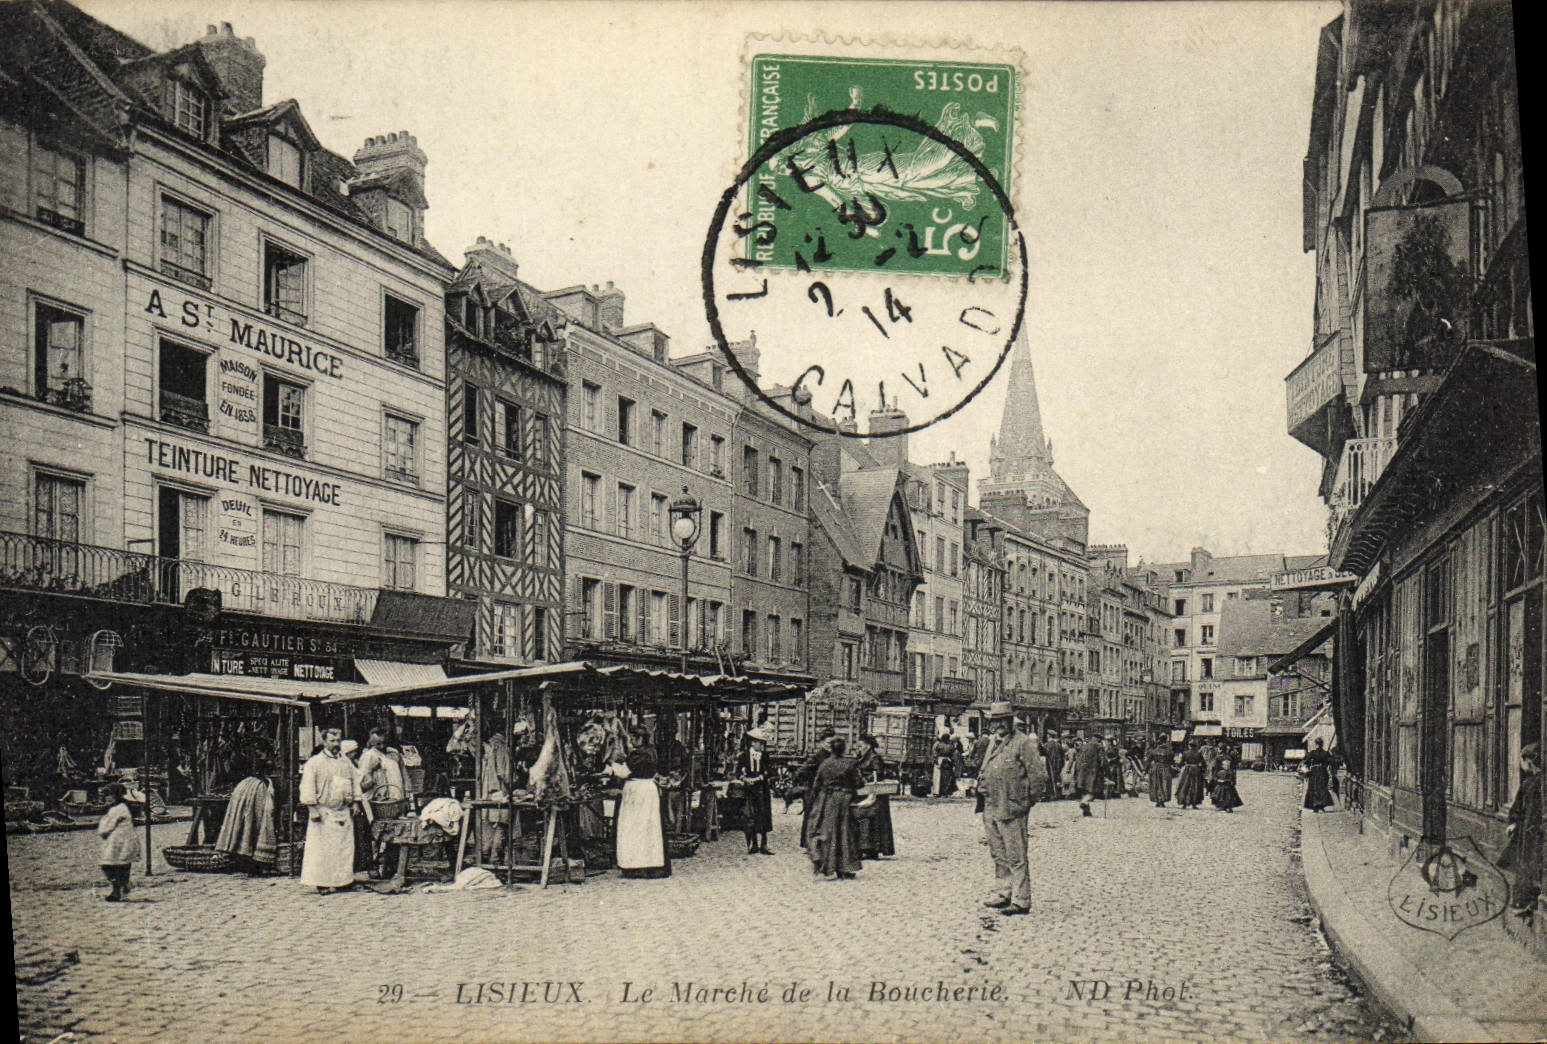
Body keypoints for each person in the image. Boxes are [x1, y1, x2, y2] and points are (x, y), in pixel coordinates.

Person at [979, 702, 1046, 916]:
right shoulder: (993, 743)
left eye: (1002, 721)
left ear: (1010, 721)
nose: (998, 726)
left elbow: (1037, 776)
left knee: (1016, 855)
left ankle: (1021, 899)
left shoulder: (1023, 743)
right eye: (995, 722)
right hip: (991, 805)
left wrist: (1026, 802)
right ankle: (1003, 891)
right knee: (998, 853)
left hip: (1012, 807)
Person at [299, 728, 363, 894]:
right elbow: (307, 786)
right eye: (332, 741)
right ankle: (322, 883)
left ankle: (343, 881)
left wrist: (356, 802)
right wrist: (312, 808)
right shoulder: (315, 762)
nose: (336, 744)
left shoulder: (345, 762)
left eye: (338, 741)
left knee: (344, 849)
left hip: (343, 811)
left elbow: (355, 781)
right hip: (324, 812)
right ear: (324, 742)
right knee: (323, 850)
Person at [608, 726, 670, 878]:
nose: (632, 742)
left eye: (634, 738)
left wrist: (611, 764)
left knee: (634, 827)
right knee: (648, 827)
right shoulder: (652, 751)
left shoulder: (639, 754)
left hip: (637, 791)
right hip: (648, 789)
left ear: (641, 739)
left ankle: (635, 865)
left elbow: (624, 773)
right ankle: (651, 864)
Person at [807, 736, 863, 880]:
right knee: (846, 833)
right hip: (845, 801)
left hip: (827, 801)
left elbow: (816, 785)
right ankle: (846, 868)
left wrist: (816, 802)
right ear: (843, 749)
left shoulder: (825, 764)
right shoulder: (850, 764)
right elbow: (858, 783)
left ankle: (827, 865)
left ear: (831, 749)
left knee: (828, 833)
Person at [1499, 743, 1541, 919]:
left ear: (1528, 761)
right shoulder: (1533, 782)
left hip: (1529, 832)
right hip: (1532, 831)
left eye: (1522, 761)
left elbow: (1518, 807)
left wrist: (1514, 823)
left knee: (1525, 865)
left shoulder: (1530, 783)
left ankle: (1523, 902)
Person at [853, 733, 895, 859]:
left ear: (868, 745)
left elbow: (878, 774)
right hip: (864, 792)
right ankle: (864, 847)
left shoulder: (874, 758)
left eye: (861, 746)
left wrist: (865, 778)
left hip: (874, 793)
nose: (859, 748)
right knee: (865, 821)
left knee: (874, 822)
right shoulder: (862, 757)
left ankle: (872, 849)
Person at [96, 782, 140, 901]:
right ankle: (123, 886)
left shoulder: (117, 810)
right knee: (122, 865)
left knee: (109, 865)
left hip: (119, 842)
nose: (107, 799)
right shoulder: (122, 807)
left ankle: (117, 890)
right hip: (123, 841)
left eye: (109, 796)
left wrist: (102, 830)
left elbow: (105, 828)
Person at [736, 728, 774, 855]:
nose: (762, 746)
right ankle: (754, 844)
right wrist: (745, 779)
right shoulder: (743, 756)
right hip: (749, 790)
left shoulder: (765, 756)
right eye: (760, 743)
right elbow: (738, 773)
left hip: (762, 789)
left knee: (763, 815)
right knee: (750, 816)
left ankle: (764, 844)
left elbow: (769, 771)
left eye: (763, 743)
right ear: (753, 743)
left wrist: (761, 777)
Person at [797, 729, 837, 848]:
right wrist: (812, 781)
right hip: (815, 791)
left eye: (832, 743)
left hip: (826, 791)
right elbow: (802, 771)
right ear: (822, 743)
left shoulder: (832, 756)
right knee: (811, 816)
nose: (830, 746)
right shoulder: (817, 756)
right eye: (828, 743)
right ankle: (807, 843)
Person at [1301, 738, 1336, 812]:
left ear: (1316, 744)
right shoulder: (1325, 753)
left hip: (1314, 772)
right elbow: (1330, 761)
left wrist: (1308, 767)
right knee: (1322, 788)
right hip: (1323, 771)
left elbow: (1306, 761)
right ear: (1322, 744)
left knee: (1314, 788)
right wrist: (1330, 756)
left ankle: (1315, 806)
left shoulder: (1312, 753)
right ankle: (1321, 805)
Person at [1074, 732, 1103, 817]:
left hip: (1082, 771)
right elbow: (1102, 761)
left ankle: (1086, 811)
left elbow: (1078, 759)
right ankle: (1084, 802)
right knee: (1094, 790)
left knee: (1085, 790)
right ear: (1098, 739)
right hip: (1093, 772)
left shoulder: (1084, 746)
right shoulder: (1099, 746)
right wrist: (1105, 772)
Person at [1174, 740, 1205, 809]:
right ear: (1196, 746)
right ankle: (1194, 803)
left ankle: (1184, 803)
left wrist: (1176, 765)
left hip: (1187, 770)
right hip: (1196, 770)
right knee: (1196, 786)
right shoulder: (1199, 753)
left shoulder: (1185, 753)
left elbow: (1181, 763)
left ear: (1189, 746)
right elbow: (1203, 763)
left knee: (1185, 785)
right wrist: (1202, 770)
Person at [1147, 739, 1174, 808]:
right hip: (1165, 767)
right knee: (1164, 784)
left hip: (1156, 767)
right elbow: (1172, 761)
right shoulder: (1169, 752)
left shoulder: (1154, 751)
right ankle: (1162, 800)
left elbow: (1149, 761)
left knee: (1156, 784)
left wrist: (1145, 770)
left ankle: (1158, 800)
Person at [931, 731, 959, 798]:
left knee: (938, 777)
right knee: (947, 778)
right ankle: (945, 792)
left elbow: (934, 753)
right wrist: (953, 762)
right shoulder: (951, 745)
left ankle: (937, 792)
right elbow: (954, 754)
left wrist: (935, 760)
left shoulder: (938, 744)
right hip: (948, 762)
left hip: (940, 761)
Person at [1042, 733, 1065, 802]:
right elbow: (1062, 756)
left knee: (1049, 779)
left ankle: (1050, 794)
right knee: (1057, 778)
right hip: (1058, 764)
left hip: (1049, 764)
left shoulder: (1046, 745)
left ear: (1048, 736)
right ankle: (1058, 794)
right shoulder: (1058, 745)